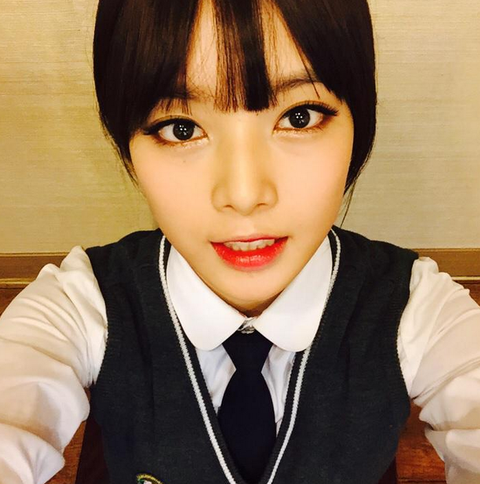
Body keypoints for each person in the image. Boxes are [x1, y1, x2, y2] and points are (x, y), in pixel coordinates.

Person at [0, 0, 479, 483]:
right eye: (181, 129)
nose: (245, 195)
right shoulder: (84, 306)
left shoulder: (416, 309)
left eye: (299, 116)